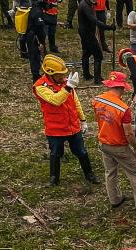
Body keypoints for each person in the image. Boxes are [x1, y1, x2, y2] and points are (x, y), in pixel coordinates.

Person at [33, 55, 99, 186]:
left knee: (81, 151)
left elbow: (75, 101)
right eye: (59, 75)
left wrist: (83, 119)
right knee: (56, 153)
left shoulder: (65, 83)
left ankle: (89, 174)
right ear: (49, 73)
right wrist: (68, 87)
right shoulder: (40, 86)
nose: (63, 77)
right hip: (55, 128)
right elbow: (55, 100)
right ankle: (54, 178)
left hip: (72, 125)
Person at [92, 71, 136, 211]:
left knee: (110, 172)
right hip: (119, 146)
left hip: (104, 142)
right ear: (122, 87)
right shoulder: (123, 109)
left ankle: (115, 199)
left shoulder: (97, 99)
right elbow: (129, 133)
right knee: (135, 172)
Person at [78, 0, 115, 84]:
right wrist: (109, 27)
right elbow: (95, 21)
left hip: (85, 32)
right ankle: (97, 79)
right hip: (87, 34)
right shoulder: (85, 6)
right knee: (98, 56)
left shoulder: (86, 3)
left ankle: (86, 75)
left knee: (86, 53)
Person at [24, 0, 48, 80]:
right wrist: (41, 42)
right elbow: (39, 29)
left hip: (30, 36)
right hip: (34, 37)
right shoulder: (38, 12)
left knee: (34, 56)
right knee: (35, 56)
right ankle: (36, 76)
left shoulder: (33, 9)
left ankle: (36, 74)